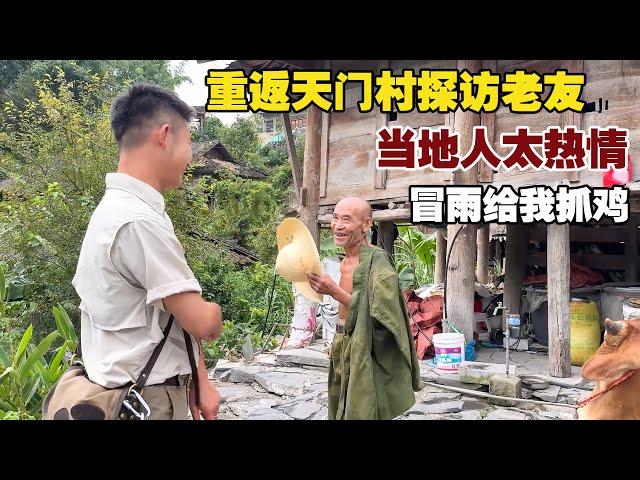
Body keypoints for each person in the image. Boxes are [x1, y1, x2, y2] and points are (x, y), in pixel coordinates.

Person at [72, 83, 222, 420]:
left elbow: (169, 315)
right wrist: (214, 313)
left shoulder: (117, 211)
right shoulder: (138, 222)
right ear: (165, 136)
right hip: (146, 401)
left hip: (133, 391)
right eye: (188, 143)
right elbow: (199, 322)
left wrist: (201, 380)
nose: (190, 156)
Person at [307, 196, 422, 419]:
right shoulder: (342, 261)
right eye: (335, 218)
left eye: (347, 219)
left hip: (363, 344)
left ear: (366, 225)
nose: (338, 225)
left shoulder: (377, 261)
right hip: (341, 341)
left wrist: (333, 291)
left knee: (361, 408)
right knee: (339, 401)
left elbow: (381, 312)